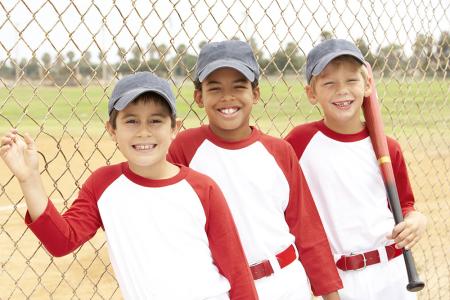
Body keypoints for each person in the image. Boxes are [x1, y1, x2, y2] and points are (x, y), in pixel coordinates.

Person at [0, 72, 258, 300]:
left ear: (174, 128)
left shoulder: (202, 189)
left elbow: (236, 271)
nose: (143, 132)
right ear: (112, 130)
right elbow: (61, 241)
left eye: (155, 120)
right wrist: (29, 178)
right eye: (131, 121)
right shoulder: (103, 185)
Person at [168, 40, 342, 300]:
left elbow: (307, 230)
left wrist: (330, 295)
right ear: (199, 96)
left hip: (285, 281)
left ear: (255, 94)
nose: (228, 97)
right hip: (222, 287)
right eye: (215, 89)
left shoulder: (279, 151)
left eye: (239, 87)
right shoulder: (186, 148)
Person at [285, 39, 427, 300]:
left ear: (367, 85)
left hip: (394, 271)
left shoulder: (386, 147)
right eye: (329, 83)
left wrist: (416, 220)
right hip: (342, 278)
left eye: (351, 80)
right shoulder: (299, 143)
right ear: (311, 93)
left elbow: (405, 204)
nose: (342, 91)